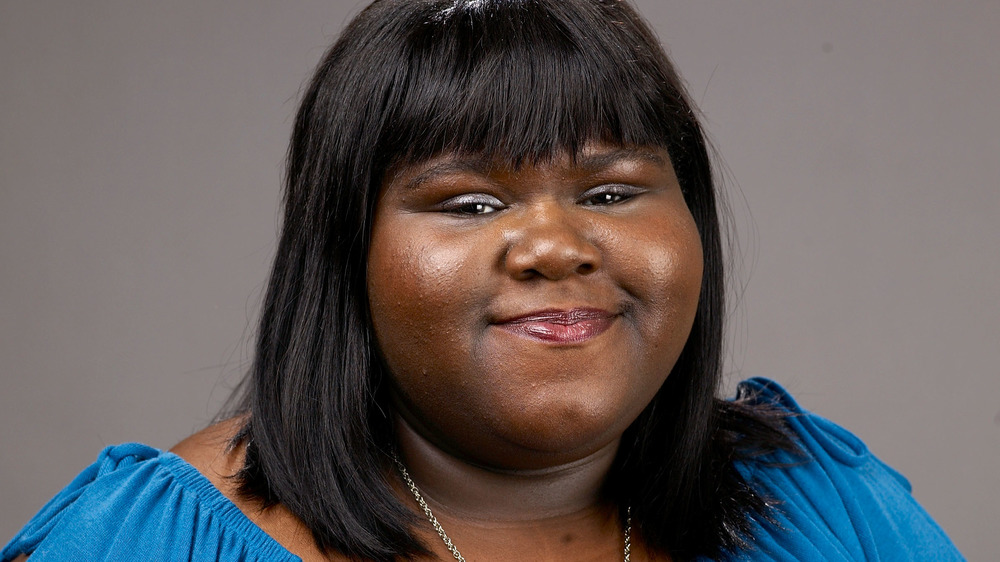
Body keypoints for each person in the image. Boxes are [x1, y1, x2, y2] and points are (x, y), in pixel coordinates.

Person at [2, 1, 963, 560]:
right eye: (468, 202)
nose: (556, 246)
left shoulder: (821, 507)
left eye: (612, 190)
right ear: (344, 253)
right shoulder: (153, 542)